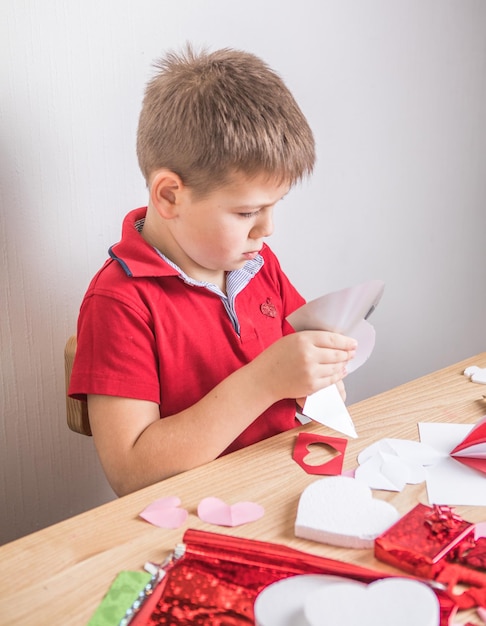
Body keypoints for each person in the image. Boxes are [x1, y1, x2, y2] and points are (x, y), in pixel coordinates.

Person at [69, 45, 357, 496]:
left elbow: (303, 374)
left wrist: (319, 381)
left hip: (284, 485)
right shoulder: (120, 302)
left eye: (273, 207)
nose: (267, 229)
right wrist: (264, 381)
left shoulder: (256, 263)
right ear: (169, 197)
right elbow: (130, 471)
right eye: (246, 213)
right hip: (192, 516)